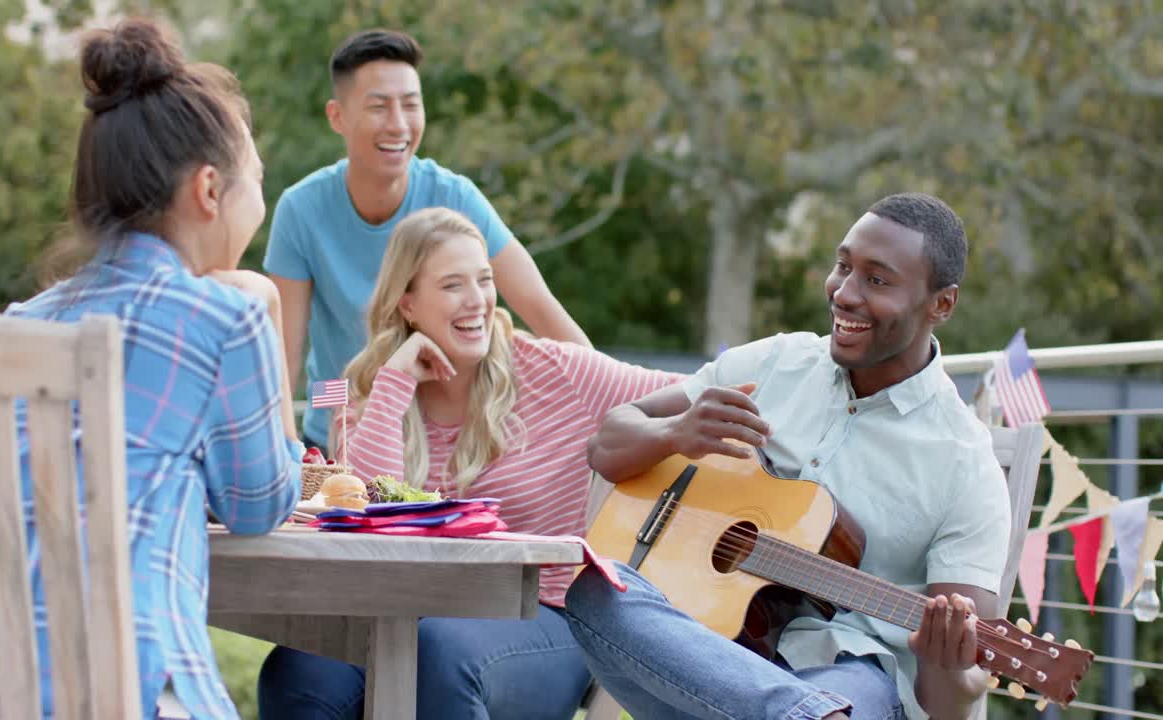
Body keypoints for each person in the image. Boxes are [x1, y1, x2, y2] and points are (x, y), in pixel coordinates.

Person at [0, 19, 302, 719]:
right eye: (259, 183)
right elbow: (260, 503)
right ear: (210, 190)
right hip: (124, 692)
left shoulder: (16, 326)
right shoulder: (222, 319)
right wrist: (268, 310)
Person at [565, 193, 1011, 720]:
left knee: (841, 701)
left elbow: (946, 705)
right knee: (596, 591)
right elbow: (608, 444)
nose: (844, 294)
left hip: (855, 672)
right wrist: (676, 433)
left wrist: (952, 670)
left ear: (942, 304)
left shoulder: (965, 463)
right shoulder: (775, 363)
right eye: (843, 267)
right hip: (705, 652)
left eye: (877, 280)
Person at [257, 207, 682, 720]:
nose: (477, 300)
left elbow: (690, 393)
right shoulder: (373, 395)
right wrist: (396, 382)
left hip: (548, 616)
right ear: (407, 303)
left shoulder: (556, 370)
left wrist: (782, 374)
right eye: (453, 285)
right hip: (405, 617)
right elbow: (364, 516)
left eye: (484, 280)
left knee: (439, 654)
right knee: (297, 672)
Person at [263, 28, 590, 452]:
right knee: (330, 408)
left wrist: (618, 405)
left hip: (442, 444)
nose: (398, 124)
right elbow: (283, 363)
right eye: (379, 107)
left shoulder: (454, 197)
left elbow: (541, 309)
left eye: (411, 105)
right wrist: (287, 458)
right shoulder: (300, 210)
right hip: (339, 439)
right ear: (337, 117)